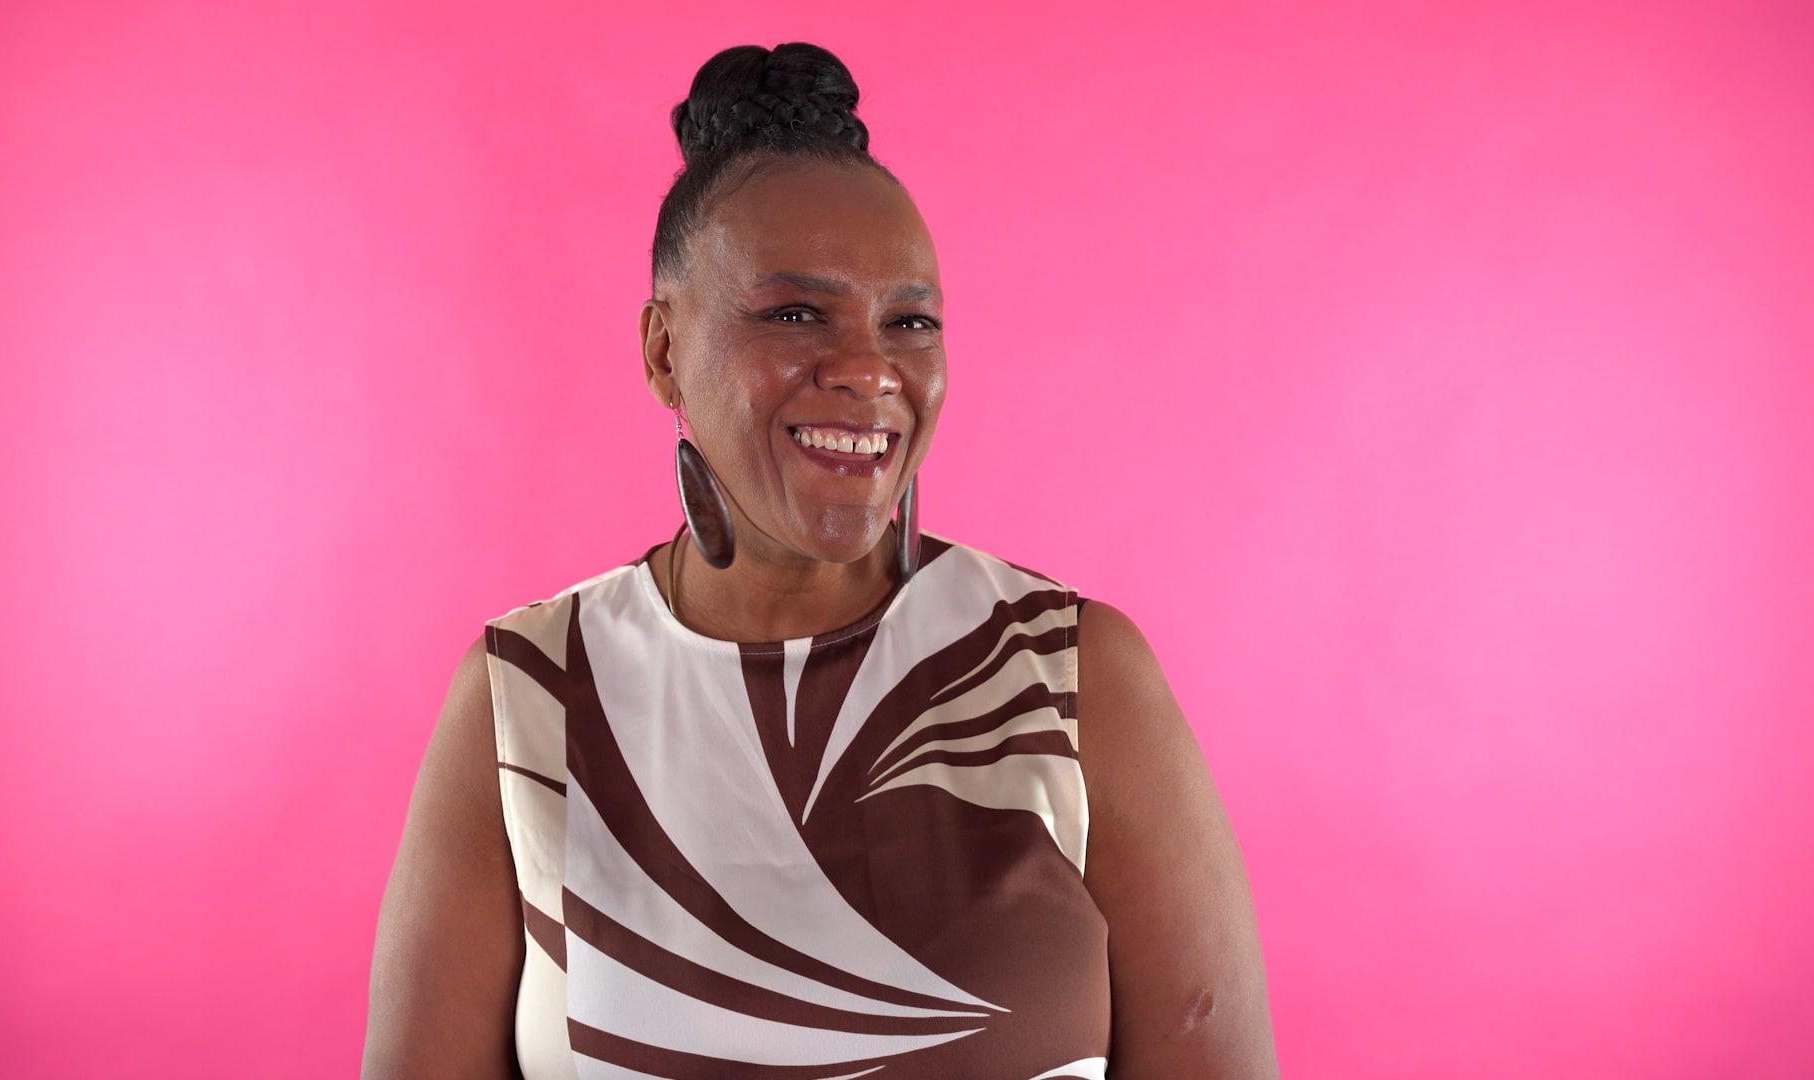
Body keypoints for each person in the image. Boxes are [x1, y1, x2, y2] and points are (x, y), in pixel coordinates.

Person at [363, 42, 1277, 1079]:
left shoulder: (1070, 676)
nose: (867, 371)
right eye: (796, 314)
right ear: (664, 349)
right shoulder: (530, 696)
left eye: (910, 321)